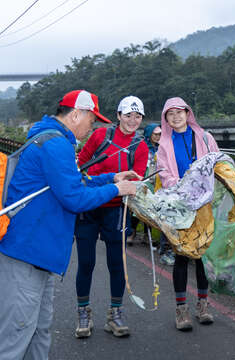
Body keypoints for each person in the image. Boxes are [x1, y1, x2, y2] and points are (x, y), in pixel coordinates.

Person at [0, 90, 138, 359]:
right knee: (15, 338)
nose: (92, 127)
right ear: (76, 114)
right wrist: (118, 190)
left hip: (38, 254)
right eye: (91, 119)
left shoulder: (52, 139)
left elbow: (73, 184)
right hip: (27, 254)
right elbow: (74, 198)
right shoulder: (56, 145)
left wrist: (111, 179)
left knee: (38, 331)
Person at [74, 95, 149, 338]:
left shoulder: (141, 146)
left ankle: (115, 314)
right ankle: (83, 312)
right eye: (128, 115)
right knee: (86, 262)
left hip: (117, 208)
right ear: (118, 116)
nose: (133, 120)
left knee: (117, 263)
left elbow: (136, 179)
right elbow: (81, 164)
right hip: (89, 204)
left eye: (138, 116)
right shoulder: (100, 136)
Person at [156, 96, 219, 331]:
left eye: (179, 111)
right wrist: (184, 187)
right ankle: (181, 310)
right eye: (170, 113)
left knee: (203, 255)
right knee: (182, 256)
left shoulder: (204, 137)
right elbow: (164, 174)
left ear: (187, 112)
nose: (175, 116)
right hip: (180, 206)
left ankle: (203, 305)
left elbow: (218, 164)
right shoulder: (164, 144)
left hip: (204, 206)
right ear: (166, 118)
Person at [129, 123, 175, 265]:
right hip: (144, 179)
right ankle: (132, 232)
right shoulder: (142, 147)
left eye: (160, 134)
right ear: (149, 134)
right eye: (155, 134)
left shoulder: (163, 148)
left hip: (158, 182)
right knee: (139, 209)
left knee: (154, 210)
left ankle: (147, 236)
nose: (158, 137)